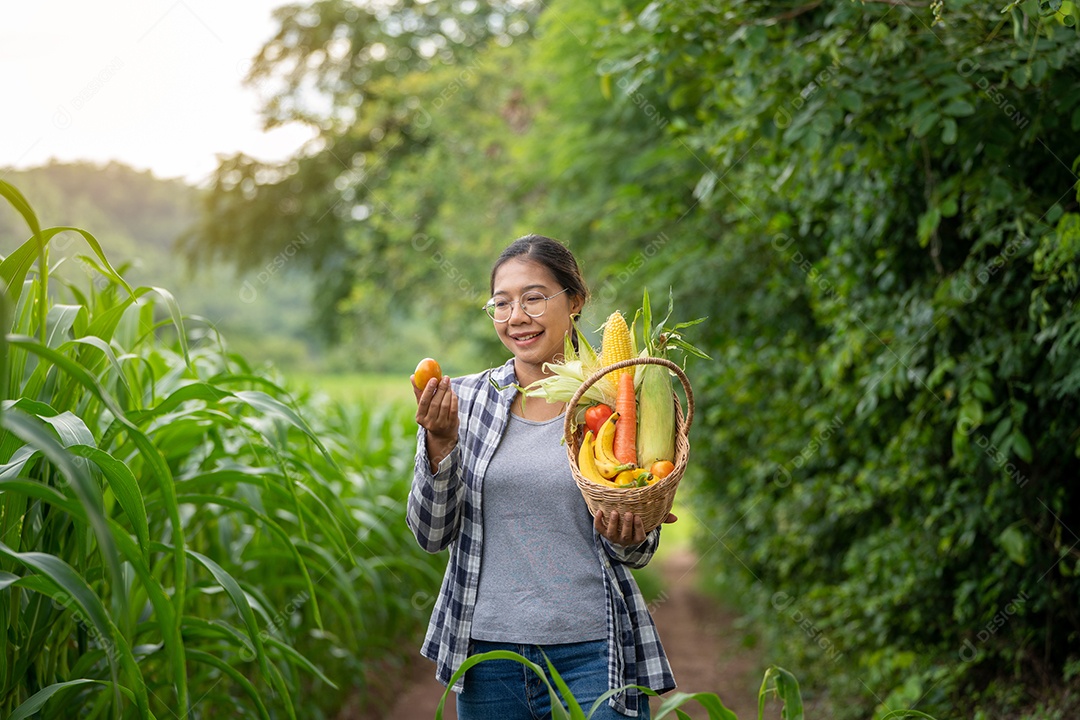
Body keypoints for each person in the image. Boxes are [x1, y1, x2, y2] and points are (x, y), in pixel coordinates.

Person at [407, 234, 676, 719]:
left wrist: (629, 531)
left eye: (533, 298)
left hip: (594, 645)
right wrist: (441, 443)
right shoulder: (462, 402)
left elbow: (638, 550)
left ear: (574, 301)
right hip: (490, 651)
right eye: (502, 303)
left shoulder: (615, 402)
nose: (517, 317)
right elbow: (429, 534)